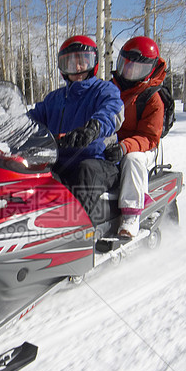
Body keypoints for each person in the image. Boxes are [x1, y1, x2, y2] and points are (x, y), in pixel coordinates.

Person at [27, 35, 123, 225]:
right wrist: (14, 127)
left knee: (86, 171)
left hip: (98, 161)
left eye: (83, 61)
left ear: (93, 62)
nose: (78, 68)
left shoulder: (104, 90)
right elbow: (33, 118)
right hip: (59, 160)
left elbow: (113, 111)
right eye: (70, 63)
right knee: (33, 174)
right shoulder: (54, 99)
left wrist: (93, 128)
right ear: (63, 68)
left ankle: (78, 234)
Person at [106, 36, 167, 238]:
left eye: (136, 68)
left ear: (149, 69)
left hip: (142, 147)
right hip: (111, 143)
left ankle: (130, 215)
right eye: (126, 65)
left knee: (132, 160)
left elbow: (149, 137)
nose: (129, 72)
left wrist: (125, 147)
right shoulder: (110, 88)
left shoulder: (151, 98)